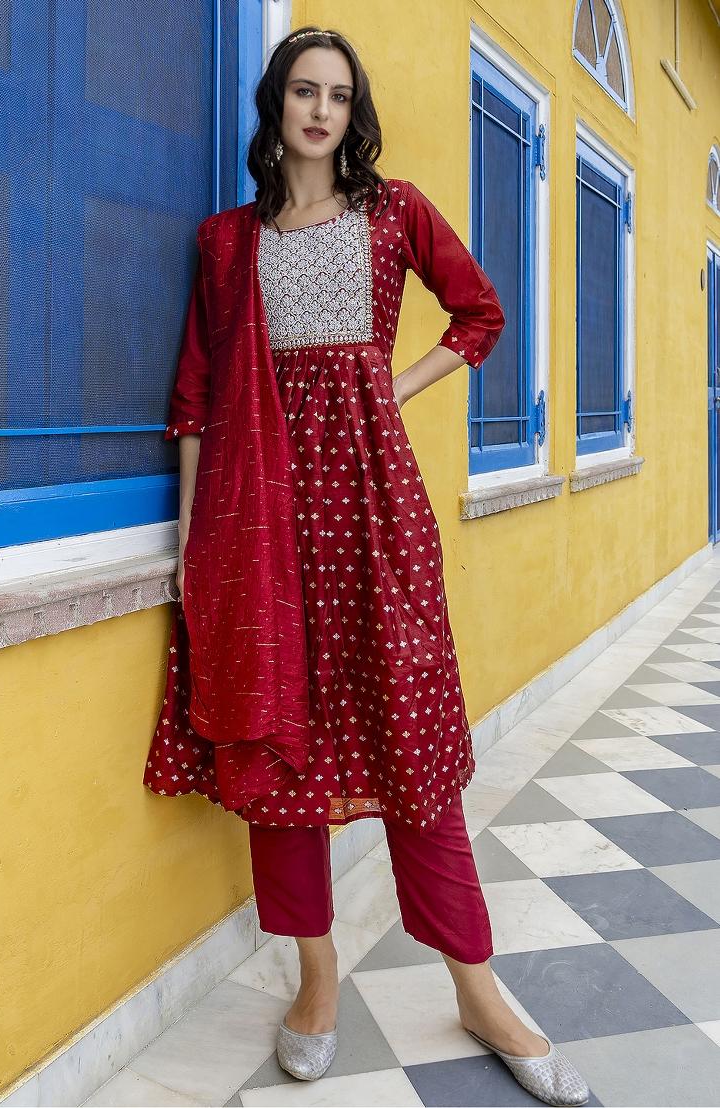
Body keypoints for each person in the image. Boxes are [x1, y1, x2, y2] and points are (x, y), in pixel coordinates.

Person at [144, 24, 590, 1107]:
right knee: (282, 744)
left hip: (376, 514)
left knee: (411, 732)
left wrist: (394, 388)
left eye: (339, 95)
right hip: (260, 524)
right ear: (276, 105)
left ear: (355, 113)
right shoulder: (225, 244)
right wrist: (198, 548)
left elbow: (480, 312)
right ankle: (316, 974)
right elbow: (197, 397)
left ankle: (475, 986)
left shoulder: (396, 214)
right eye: (303, 90)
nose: (320, 111)